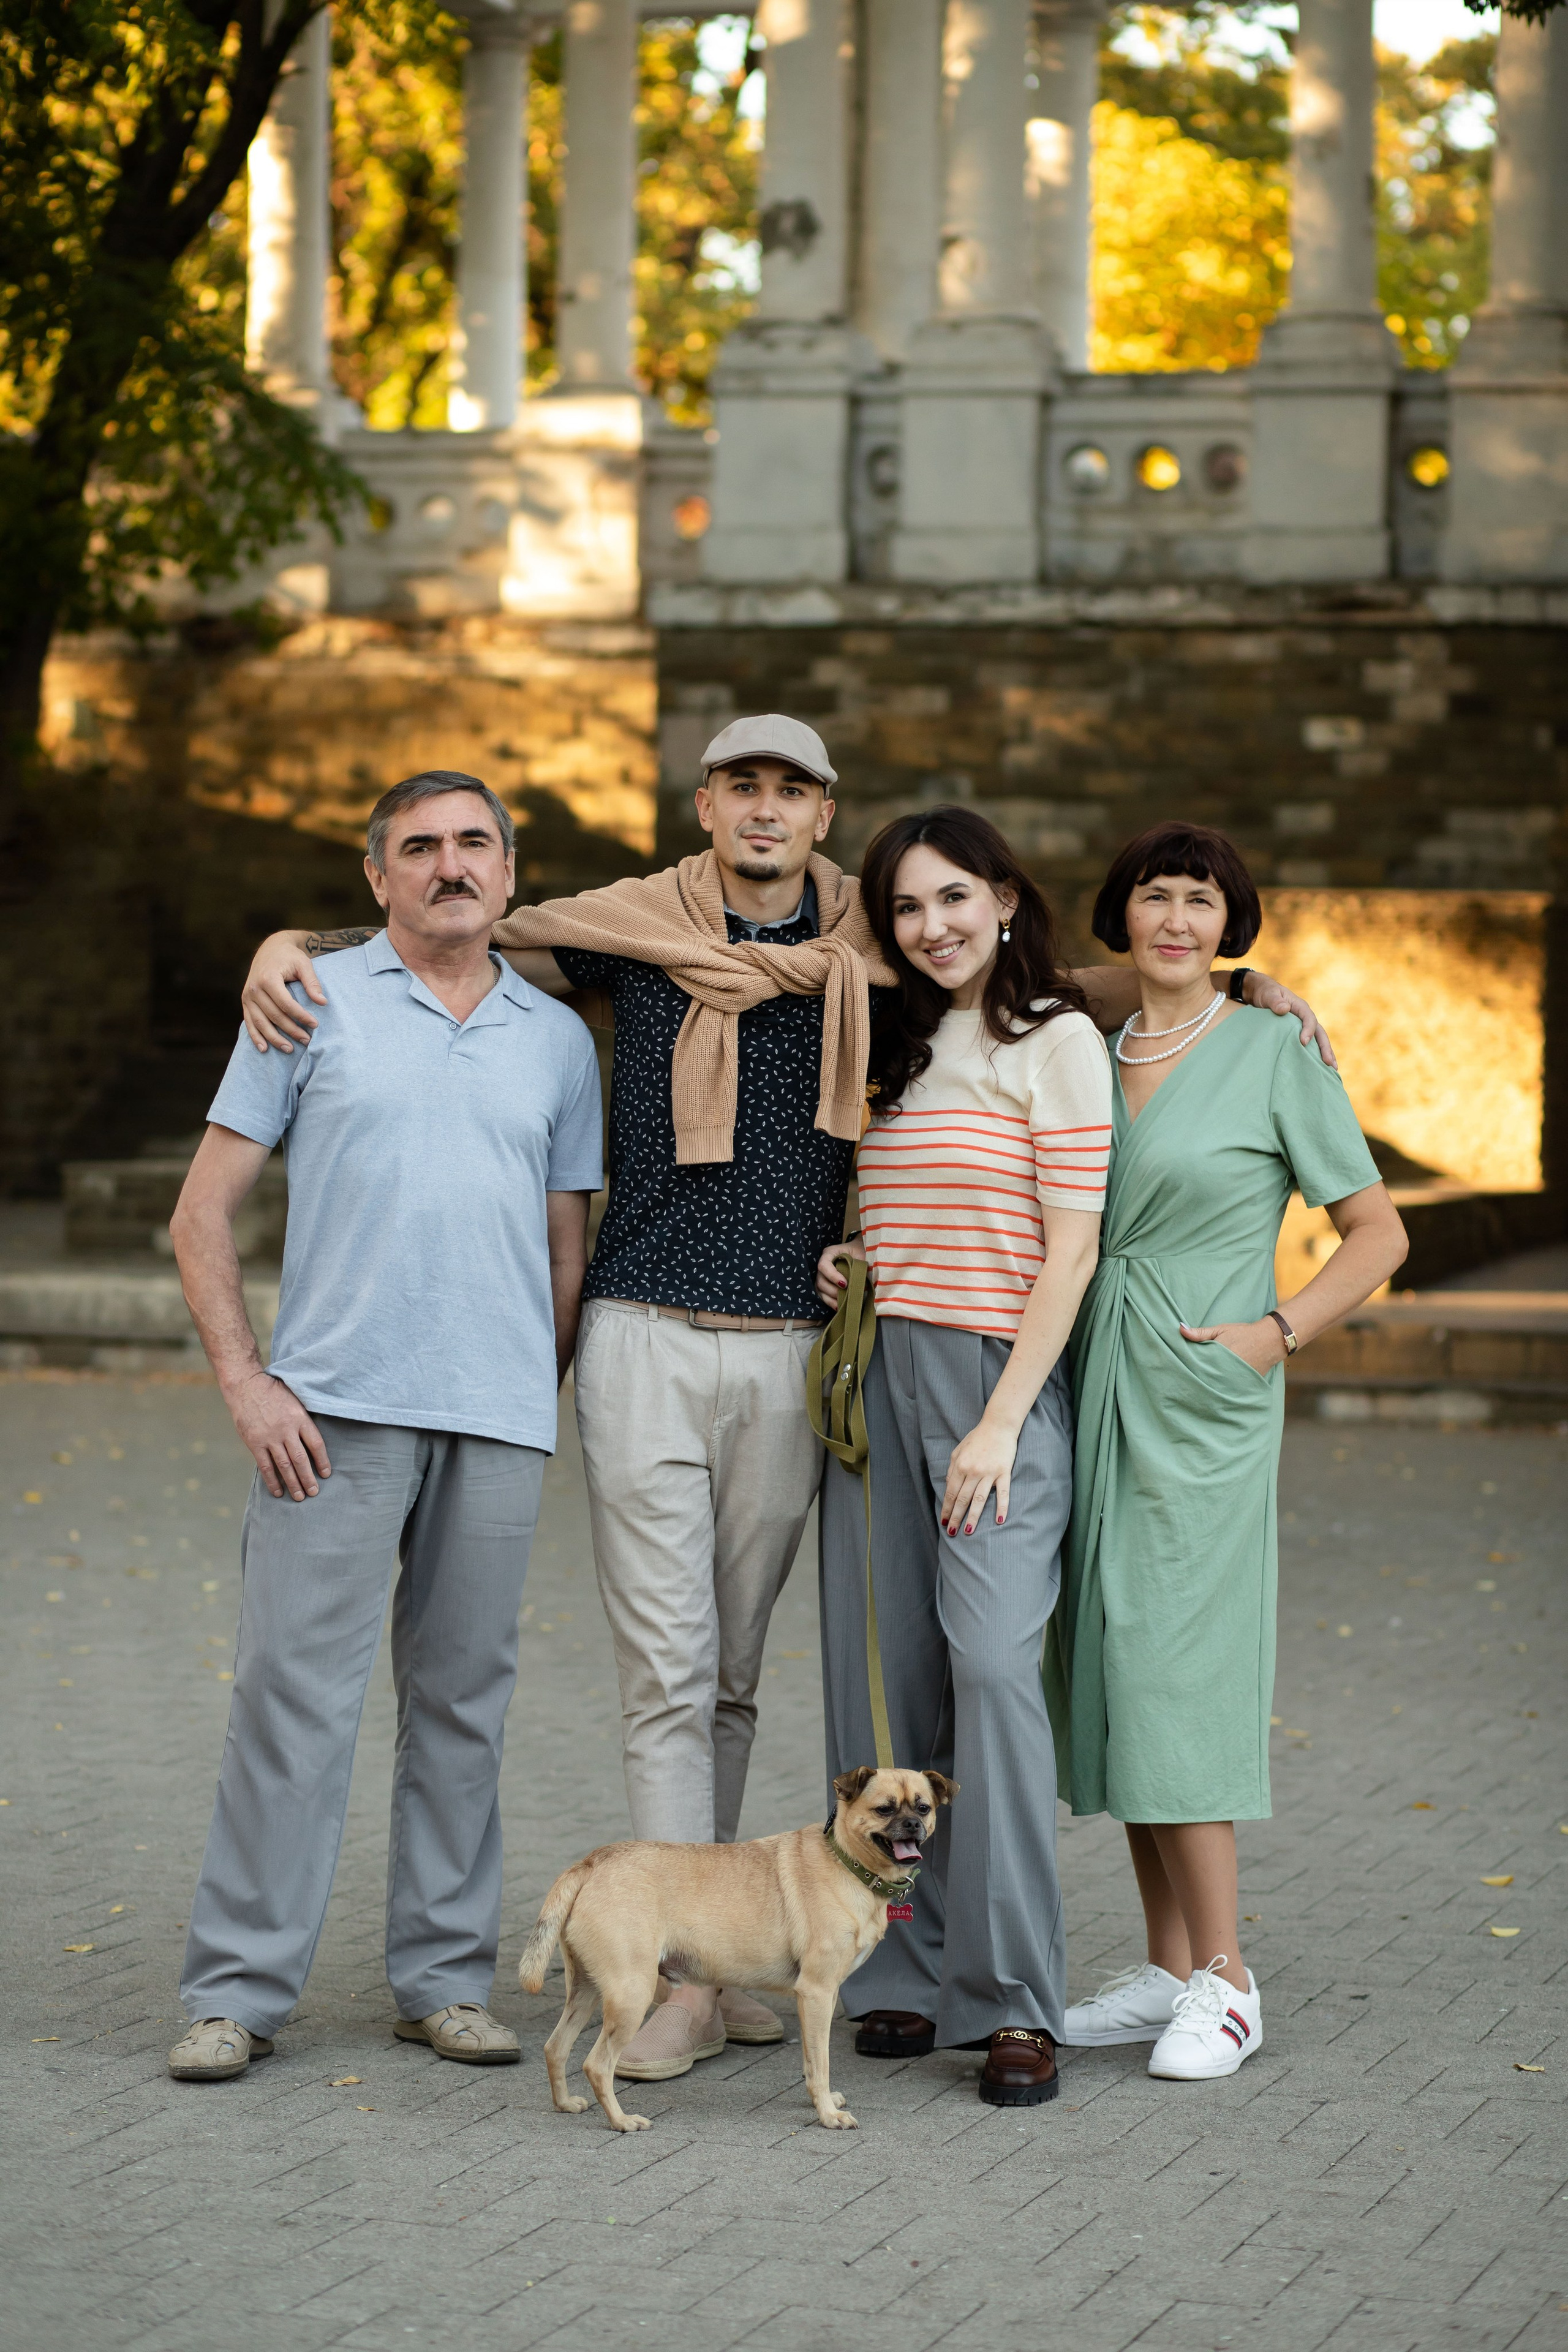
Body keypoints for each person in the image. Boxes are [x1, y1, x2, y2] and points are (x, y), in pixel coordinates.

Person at [238, 718, 1329, 2089]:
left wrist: (1240, 974)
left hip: (892, 1365)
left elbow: (1053, 1045)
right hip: (742, 1347)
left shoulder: (897, 969)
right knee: (770, 1678)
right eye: (741, 784)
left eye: (793, 789)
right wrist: (300, 947)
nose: (765, 809)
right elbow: (462, 928)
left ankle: (903, 1976)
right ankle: (786, 1976)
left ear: (827, 815)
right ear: (705, 803)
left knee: (881, 1675)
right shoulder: (672, 939)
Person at [165, 771, 602, 2083]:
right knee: (291, 1702)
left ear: (511, 874)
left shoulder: (557, 1038)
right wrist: (249, 1382)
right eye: (419, 847)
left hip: (495, 1417)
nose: (448, 864)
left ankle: (443, 1981)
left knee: (464, 1705)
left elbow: (564, 1246)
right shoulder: (306, 1000)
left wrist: (536, 1387)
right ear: (376, 879)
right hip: (333, 1413)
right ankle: (237, 1990)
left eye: (474, 843)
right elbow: (200, 1215)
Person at [1047, 821, 1407, 2081]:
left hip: (1203, 1393)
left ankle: (1229, 1977)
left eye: (1202, 902)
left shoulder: (1271, 1050)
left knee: (1171, 1672)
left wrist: (1276, 1331)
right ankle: (1163, 1964)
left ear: (1230, 923)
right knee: (1106, 1657)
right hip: (1091, 1383)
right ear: (1121, 916)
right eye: (1155, 898)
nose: (1177, 922)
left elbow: (1374, 1233)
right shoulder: (1083, 1047)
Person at [815, 807, 1109, 2108]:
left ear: (999, 896)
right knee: (899, 1686)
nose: (928, 929)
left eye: (949, 900)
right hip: (881, 1378)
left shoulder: (1054, 1042)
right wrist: (854, 1262)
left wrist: (998, 1423)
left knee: (991, 1676)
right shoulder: (894, 1045)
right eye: (904, 911)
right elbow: (899, 1206)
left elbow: (1070, 1249)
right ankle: (902, 1972)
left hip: (1000, 1387)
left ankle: (1010, 2000)